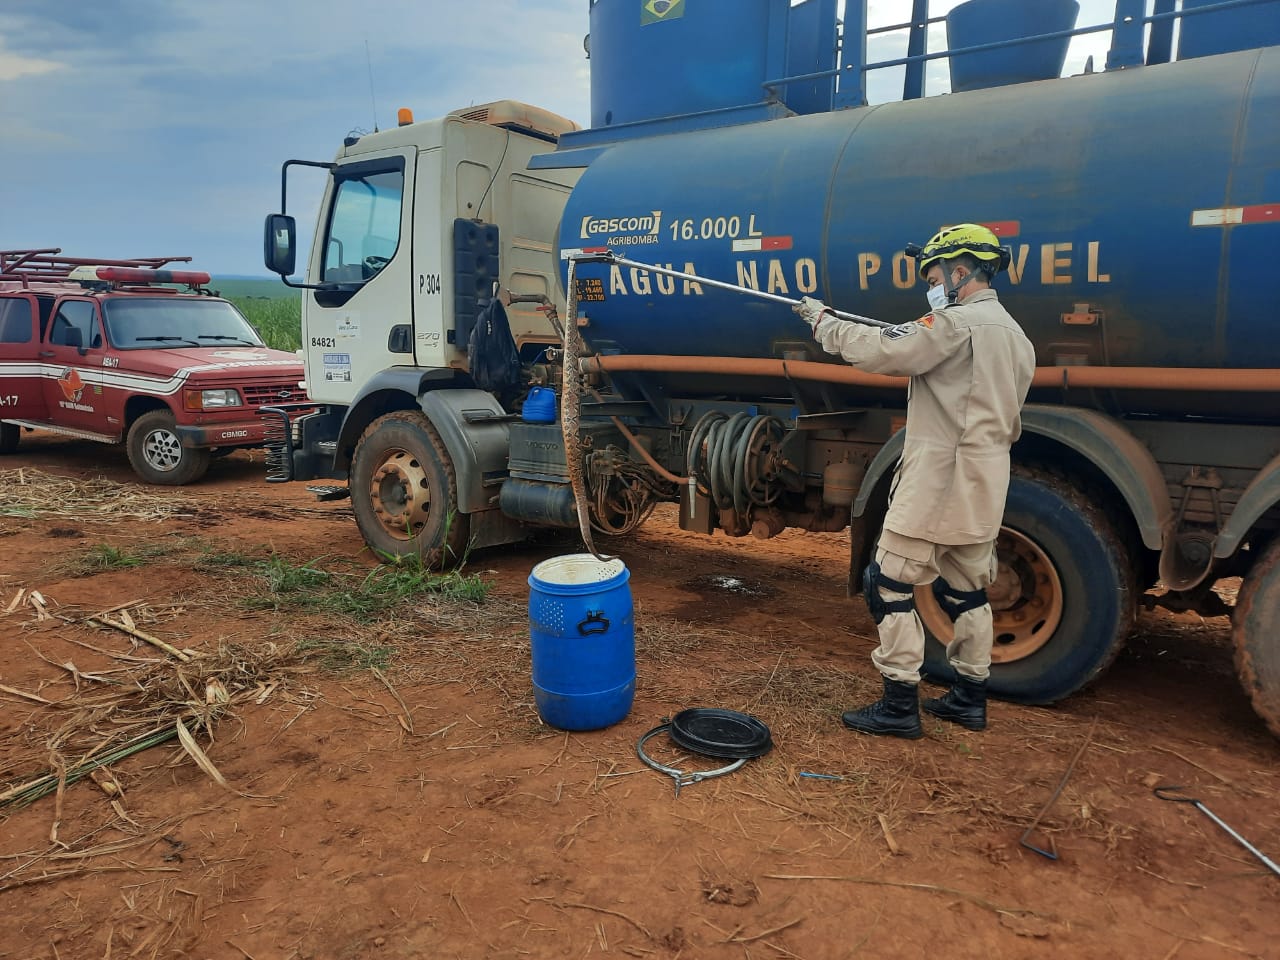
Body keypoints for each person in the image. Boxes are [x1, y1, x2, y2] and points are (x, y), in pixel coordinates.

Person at [793, 223, 1036, 739]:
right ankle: (970, 698)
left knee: (887, 583)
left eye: (934, 277)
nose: (932, 287)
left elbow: (882, 351)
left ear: (960, 271)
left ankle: (899, 704)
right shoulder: (1016, 335)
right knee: (968, 590)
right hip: (985, 481)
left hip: (940, 480)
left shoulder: (955, 324)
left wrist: (823, 323)